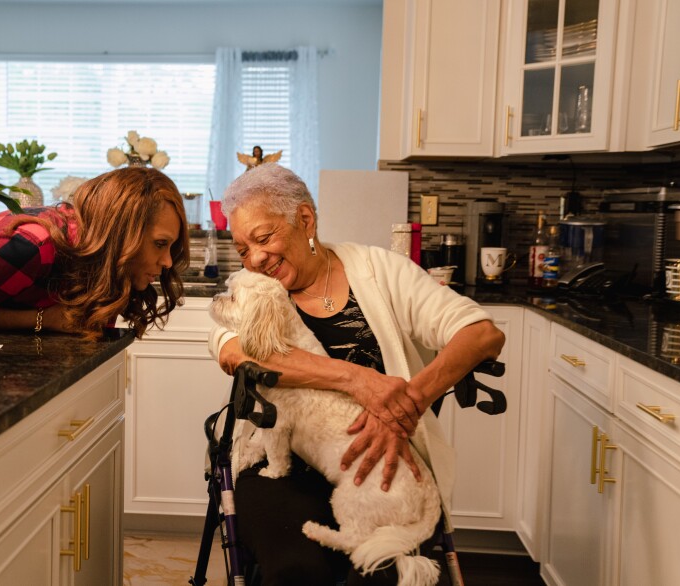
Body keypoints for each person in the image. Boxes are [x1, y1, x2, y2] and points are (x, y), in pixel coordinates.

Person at [208, 163, 505, 585]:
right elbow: (240, 353)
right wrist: (359, 380)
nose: (255, 258)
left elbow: (482, 334)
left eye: (263, 238)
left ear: (305, 220)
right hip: (283, 463)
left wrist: (409, 401)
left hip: (383, 461)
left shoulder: (380, 270)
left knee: (380, 574)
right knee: (296, 570)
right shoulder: (249, 291)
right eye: (242, 249)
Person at [0, 166, 190, 339]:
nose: (166, 262)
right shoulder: (30, 246)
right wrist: (45, 319)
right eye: (160, 243)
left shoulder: (100, 260)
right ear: (122, 233)